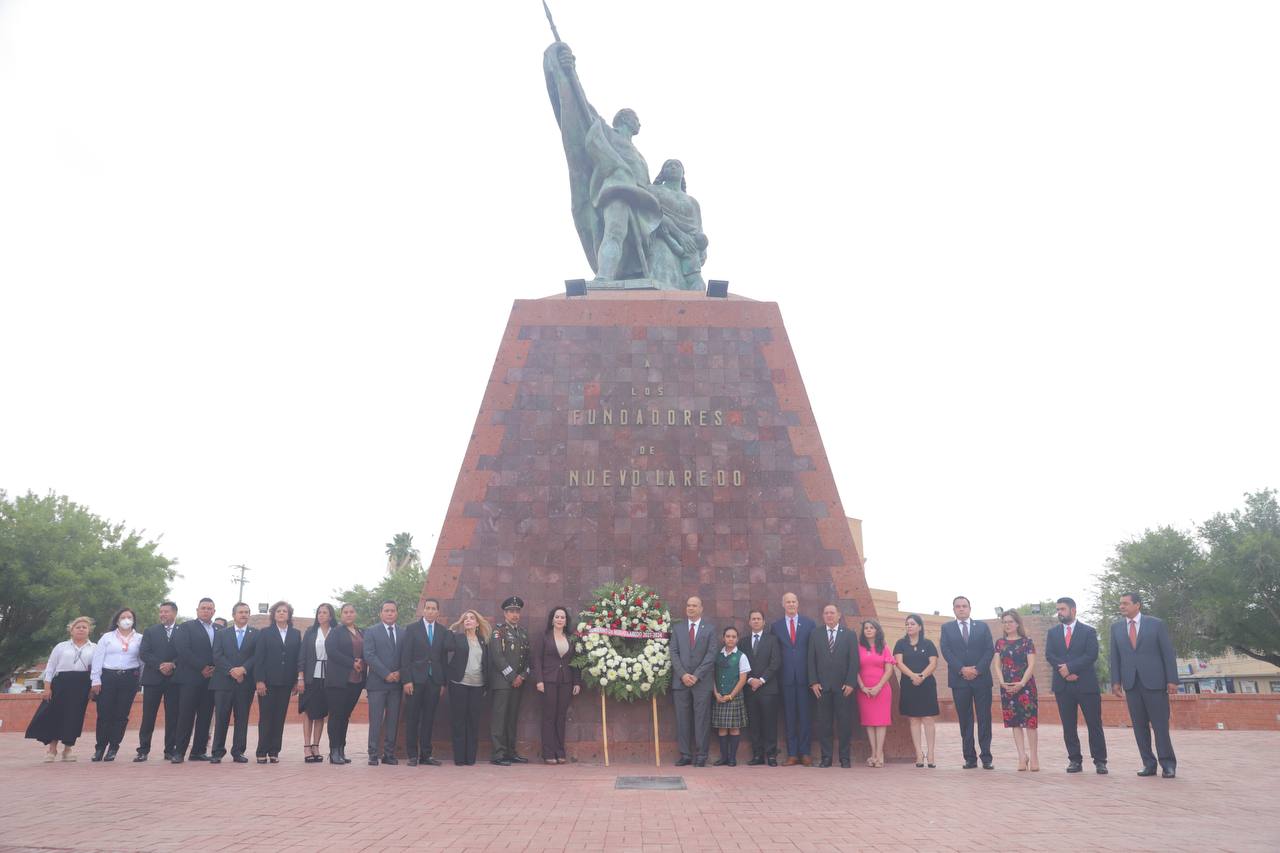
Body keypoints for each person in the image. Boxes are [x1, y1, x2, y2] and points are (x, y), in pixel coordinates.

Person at [1110, 591, 1179, 778]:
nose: (1121, 606)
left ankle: (1168, 764)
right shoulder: (1116, 628)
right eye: (1120, 603)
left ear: (1137, 605)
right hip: (1131, 684)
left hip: (1155, 682)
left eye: (1125, 603)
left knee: (1160, 726)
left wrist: (1172, 679)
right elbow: (1114, 656)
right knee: (1139, 727)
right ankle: (1148, 764)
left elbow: (1167, 653)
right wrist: (1115, 681)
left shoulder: (1156, 624)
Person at [1044, 597, 1107, 774]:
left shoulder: (1088, 631)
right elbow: (1050, 655)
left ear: (1073, 610)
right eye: (1058, 610)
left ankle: (1100, 761)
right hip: (1063, 686)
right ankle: (1074, 760)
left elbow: (1091, 655)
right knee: (1068, 725)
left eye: (1063, 609)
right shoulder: (1053, 633)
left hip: (1086, 684)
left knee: (1094, 724)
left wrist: (1071, 668)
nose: (1060, 613)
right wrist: (1064, 670)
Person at [27, 617, 95, 762]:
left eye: (84, 627)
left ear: (89, 630)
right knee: (55, 715)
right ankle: (52, 750)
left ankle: (68, 750)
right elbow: (50, 667)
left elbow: (96, 670)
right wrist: (47, 687)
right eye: (78, 627)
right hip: (61, 684)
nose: (81, 629)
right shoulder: (61, 647)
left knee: (74, 717)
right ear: (71, 630)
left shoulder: (94, 648)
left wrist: (92, 688)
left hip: (82, 685)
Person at [939, 595, 995, 769]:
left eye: (964, 606)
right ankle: (969, 757)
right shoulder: (947, 628)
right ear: (954, 610)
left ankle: (986, 757)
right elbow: (946, 651)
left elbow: (989, 650)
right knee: (965, 719)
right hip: (959, 680)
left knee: (984, 718)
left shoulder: (982, 627)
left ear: (970, 608)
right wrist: (962, 669)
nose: (961, 609)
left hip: (982, 679)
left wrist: (977, 670)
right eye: (958, 606)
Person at [807, 604, 858, 768]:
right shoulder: (815, 634)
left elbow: (854, 661)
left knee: (844, 724)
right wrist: (813, 681)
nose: (829, 615)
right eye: (826, 613)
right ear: (823, 616)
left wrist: (851, 682)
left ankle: (845, 758)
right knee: (824, 724)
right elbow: (811, 660)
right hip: (821, 688)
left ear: (839, 615)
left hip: (843, 688)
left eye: (832, 613)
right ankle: (826, 757)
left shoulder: (849, 635)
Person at [89, 607, 142, 762]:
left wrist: (141, 679)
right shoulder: (107, 637)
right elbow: (97, 659)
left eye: (129, 617)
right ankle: (99, 748)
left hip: (129, 678)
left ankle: (113, 748)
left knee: (121, 715)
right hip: (108, 677)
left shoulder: (140, 638)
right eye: (123, 617)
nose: (126, 620)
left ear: (133, 620)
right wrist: (96, 680)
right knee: (104, 714)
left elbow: (142, 661)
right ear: (117, 620)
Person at [253, 600, 303, 763]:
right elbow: (259, 658)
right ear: (273, 615)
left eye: (285, 611)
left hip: (286, 682)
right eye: (278, 611)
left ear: (289, 615)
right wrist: (260, 680)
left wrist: (297, 679)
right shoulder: (265, 633)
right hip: (267, 682)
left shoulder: (295, 634)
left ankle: (274, 751)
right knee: (266, 717)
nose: (281, 613)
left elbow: (298, 658)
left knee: (279, 717)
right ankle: (261, 751)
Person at [401, 597, 448, 767]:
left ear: (438, 612)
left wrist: (443, 683)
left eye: (433, 608)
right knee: (413, 718)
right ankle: (412, 755)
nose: (430, 611)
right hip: (415, 680)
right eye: (427, 608)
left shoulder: (443, 631)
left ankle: (426, 755)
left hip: (434, 681)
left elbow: (443, 658)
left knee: (429, 719)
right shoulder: (412, 629)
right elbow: (405, 657)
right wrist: (406, 680)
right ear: (423, 610)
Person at [670, 596, 717, 767]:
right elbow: (673, 653)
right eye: (688, 605)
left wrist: (696, 675)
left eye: (694, 606)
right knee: (682, 720)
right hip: (680, 682)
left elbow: (711, 654)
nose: (690, 608)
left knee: (701, 719)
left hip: (701, 682)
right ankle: (685, 754)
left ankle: (701, 755)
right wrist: (683, 674)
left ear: (701, 608)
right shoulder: (678, 628)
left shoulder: (710, 629)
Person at [648, 159, 708, 290]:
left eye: (677, 165)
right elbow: (650, 213)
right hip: (662, 235)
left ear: (683, 173)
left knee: (696, 281)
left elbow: (699, 227)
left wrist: (703, 249)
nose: (673, 168)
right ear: (662, 173)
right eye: (669, 166)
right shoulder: (653, 190)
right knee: (663, 260)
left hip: (691, 243)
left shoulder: (692, 202)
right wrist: (676, 234)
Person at [531, 605, 581, 764]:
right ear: (552, 620)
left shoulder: (571, 637)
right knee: (549, 717)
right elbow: (537, 659)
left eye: (563, 617)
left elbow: (575, 661)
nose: (560, 619)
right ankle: (548, 753)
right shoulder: (544, 636)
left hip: (566, 681)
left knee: (561, 717)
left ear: (566, 621)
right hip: (548, 681)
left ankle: (560, 751)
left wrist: (577, 681)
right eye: (557, 617)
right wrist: (539, 680)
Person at [172, 597, 218, 763]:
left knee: (205, 717)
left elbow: (221, 651)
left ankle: (198, 751)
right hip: (190, 679)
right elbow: (183, 650)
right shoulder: (186, 627)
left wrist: (213, 668)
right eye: (203, 608)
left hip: (211, 680)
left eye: (209, 608)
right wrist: (202, 667)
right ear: (197, 610)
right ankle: (179, 752)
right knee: (186, 716)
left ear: (214, 611)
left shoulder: (219, 629)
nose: (206, 610)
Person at [772, 591, 816, 765]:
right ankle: (792, 754)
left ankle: (805, 752)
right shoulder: (776, 626)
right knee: (789, 717)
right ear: (783, 604)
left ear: (798, 604)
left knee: (805, 716)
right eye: (787, 602)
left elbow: (813, 652)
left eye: (793, 601)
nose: (791, 604)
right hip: (786, 678)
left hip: (805, 678)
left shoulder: (809, 624)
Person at [210, 602, 257, 763]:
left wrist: (243, 669)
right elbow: (217, 655)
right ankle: (217, 752)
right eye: (241, 612)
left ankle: (238, 751)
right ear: (233, 615)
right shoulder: (222, 633)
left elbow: (257, 656)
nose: (244, 615)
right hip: (223, 682)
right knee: (221, 717)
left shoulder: (255, 634)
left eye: (247, 612)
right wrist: (232, 671)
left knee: (242, 718)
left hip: (245, 683)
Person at [489, 595, 532, 766]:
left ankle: (510, 752)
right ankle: (498, 754)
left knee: (512, 719)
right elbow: (497, 657)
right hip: (502, 682)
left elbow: (527, 658)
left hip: (518, 682)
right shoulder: (498, 631)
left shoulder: (522, 632)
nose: (515, 614)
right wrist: (512, 676)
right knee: (500, 719)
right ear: (505, 613)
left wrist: (522, 676)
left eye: (517, 611)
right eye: (511, 611)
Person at [135, 601, 180, 762]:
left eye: (166, 612)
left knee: (173, 716)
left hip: (174, 680)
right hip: (153, 678)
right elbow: (144, 653)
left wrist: (172, 664)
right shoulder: (151, 631)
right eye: (161, 612)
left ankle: (170, 750)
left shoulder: (183, 631)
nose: (163, 615)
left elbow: (185, 652)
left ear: (174, 613)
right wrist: (160, 665)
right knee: (148, 716)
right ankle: (143, 750)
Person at [444, 609, 490, 766]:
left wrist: (487, 684)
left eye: (472, 618)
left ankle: (471, 757)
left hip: (477, 686)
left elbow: (486, 663)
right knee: (459, 721)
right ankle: (459, 758)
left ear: (477, 623)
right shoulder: (458, 638)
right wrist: (451, 629)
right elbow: (446, 646)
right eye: (465, 619)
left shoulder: (483, 641)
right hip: (459, 684)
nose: (468, 620)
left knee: (473, 722)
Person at [893, 614, 940, 768]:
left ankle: (931, 753)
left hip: (926, 685)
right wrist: (913, 676)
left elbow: (933, 663)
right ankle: (919, 754)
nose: (909, 626)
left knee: (927, 719)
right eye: (907, 624)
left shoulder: (928, 644)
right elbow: (898, 663)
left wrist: (922, 676)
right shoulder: (900, 644)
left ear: (920, 627)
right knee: (913, 719)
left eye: (913, 624)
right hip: (908, 684)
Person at [996, 609, 1040, 771]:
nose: (1007, 625)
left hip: (1026, 686)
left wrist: (1021, 683)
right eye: (1005, 622)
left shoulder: (1027, 642)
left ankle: (1034, 756)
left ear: (1017, 623)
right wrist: (1002, 682)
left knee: (1030, 723)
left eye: (1010, 622)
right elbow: (997, 665)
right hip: (1007, 686)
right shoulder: (1000, 643)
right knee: (1015, 723)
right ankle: (1022, 756)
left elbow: (1031, 665)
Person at [323, 603, 366, 764]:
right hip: (338, 681)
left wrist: (362, 661)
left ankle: (341, 749)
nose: (349, 614)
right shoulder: (336, 632)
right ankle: (333, 751)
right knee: (336, 716)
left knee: (345, 716)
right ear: (341, 615)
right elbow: (332, 652)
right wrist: (351, 663)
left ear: (355, 614)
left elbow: (366, 651)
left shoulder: (362, 632)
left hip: (356, 681)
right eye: (345, 612)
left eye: (351, 612)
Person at [362, 600, 403, 766]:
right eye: (386, 610)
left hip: (396, 684)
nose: (389, 613)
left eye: (392, 610)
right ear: (381, 613)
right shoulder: (371, 632)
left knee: (393, 720)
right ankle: (373, 753)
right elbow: (369, 655)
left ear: (396, 613)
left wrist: (399, 673)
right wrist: (386, 674)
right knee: (376, 720)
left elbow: (407, 656)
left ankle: (389, 753)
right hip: (377, 684)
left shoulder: (404, 632)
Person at [741, 609, 781, 766]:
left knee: (770, 723)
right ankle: (757, 755)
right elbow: (742, 664)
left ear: (764, 622)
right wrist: (750, 680)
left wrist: (762, 680)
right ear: (749, 622)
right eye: (753, 619)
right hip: (750, 689)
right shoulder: (743, 642)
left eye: (758, 619)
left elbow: (775, 662)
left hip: (768, 689)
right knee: (755, 723)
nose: (756, 621)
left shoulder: (772, 640)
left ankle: (771, 755)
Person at [298, 603, 335, 764]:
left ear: (331, 616)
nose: (321, 615)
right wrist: (300, 677)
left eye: (324, 612)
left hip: (329, 677)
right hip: (311, 677)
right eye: (319, 612)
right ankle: (307, 746)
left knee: (320, 713)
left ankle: (316, 745)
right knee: (308, 711)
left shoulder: (336, 632)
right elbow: (302, 655)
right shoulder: (311, 632)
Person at [856, 618, 895, 768]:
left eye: (871, 627)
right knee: (869, 723)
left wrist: (878, 686)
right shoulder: (859, 647)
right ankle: (873, 753)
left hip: (882, 690)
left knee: (880, 722)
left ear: (877, 630)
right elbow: (855, 669)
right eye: (866, 628)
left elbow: (889, 669)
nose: (868, 630)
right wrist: (862, 687)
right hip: (864, 691)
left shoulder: (883, 647)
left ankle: (879, 754)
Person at [712, 626, 751, 766]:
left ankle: (733, 758)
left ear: (737, 639)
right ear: (723, 638)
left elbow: (743, 679)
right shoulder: (717, 655)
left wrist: (731, 695)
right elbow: (713, 677)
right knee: (722, 727)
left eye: (733, 637)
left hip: (734, 697)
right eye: (728, 636)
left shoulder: (741, 656)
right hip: (719, 696)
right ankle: (723, 758)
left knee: (734, 727)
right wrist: (716, 693)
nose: (730, 639)